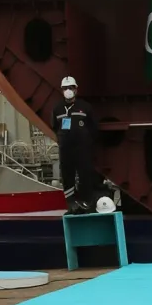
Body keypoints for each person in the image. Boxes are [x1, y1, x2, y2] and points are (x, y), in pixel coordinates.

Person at [53, 74, 100, 212]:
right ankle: (71, 202)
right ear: (62, 90)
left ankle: (86, 201)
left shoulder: (85, 107)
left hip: (83, 148)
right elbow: (55, 126)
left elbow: (93, 126)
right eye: (65, 88)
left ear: (76, 89)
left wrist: (88, 141)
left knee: (85, 173)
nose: (68, 90)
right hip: (65, 149)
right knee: (67, 175)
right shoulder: (57, 109)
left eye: (71, 87)